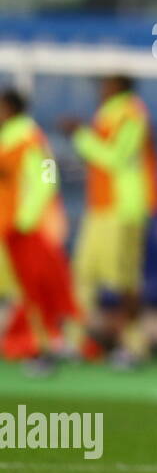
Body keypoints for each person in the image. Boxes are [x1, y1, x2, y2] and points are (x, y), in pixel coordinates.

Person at [62, 74, 157, 369]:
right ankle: (75, 341)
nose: (101, 89)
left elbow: (117, 158)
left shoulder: (131, 113)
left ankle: (133, 346)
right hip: (102, 206)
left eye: (106, 84)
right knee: (83, 272)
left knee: (123, 280)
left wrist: (81, 136)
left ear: (120, 87)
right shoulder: (108, 113)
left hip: (123, 208)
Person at [0, 90, 79, 377]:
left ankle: (43, 348)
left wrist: (25, 220)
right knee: (21, 291)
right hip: (8, 229)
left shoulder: (30, 138)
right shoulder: (8, 138)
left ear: (9, 108)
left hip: (25, 230)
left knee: (34, 290)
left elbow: (47, 177)